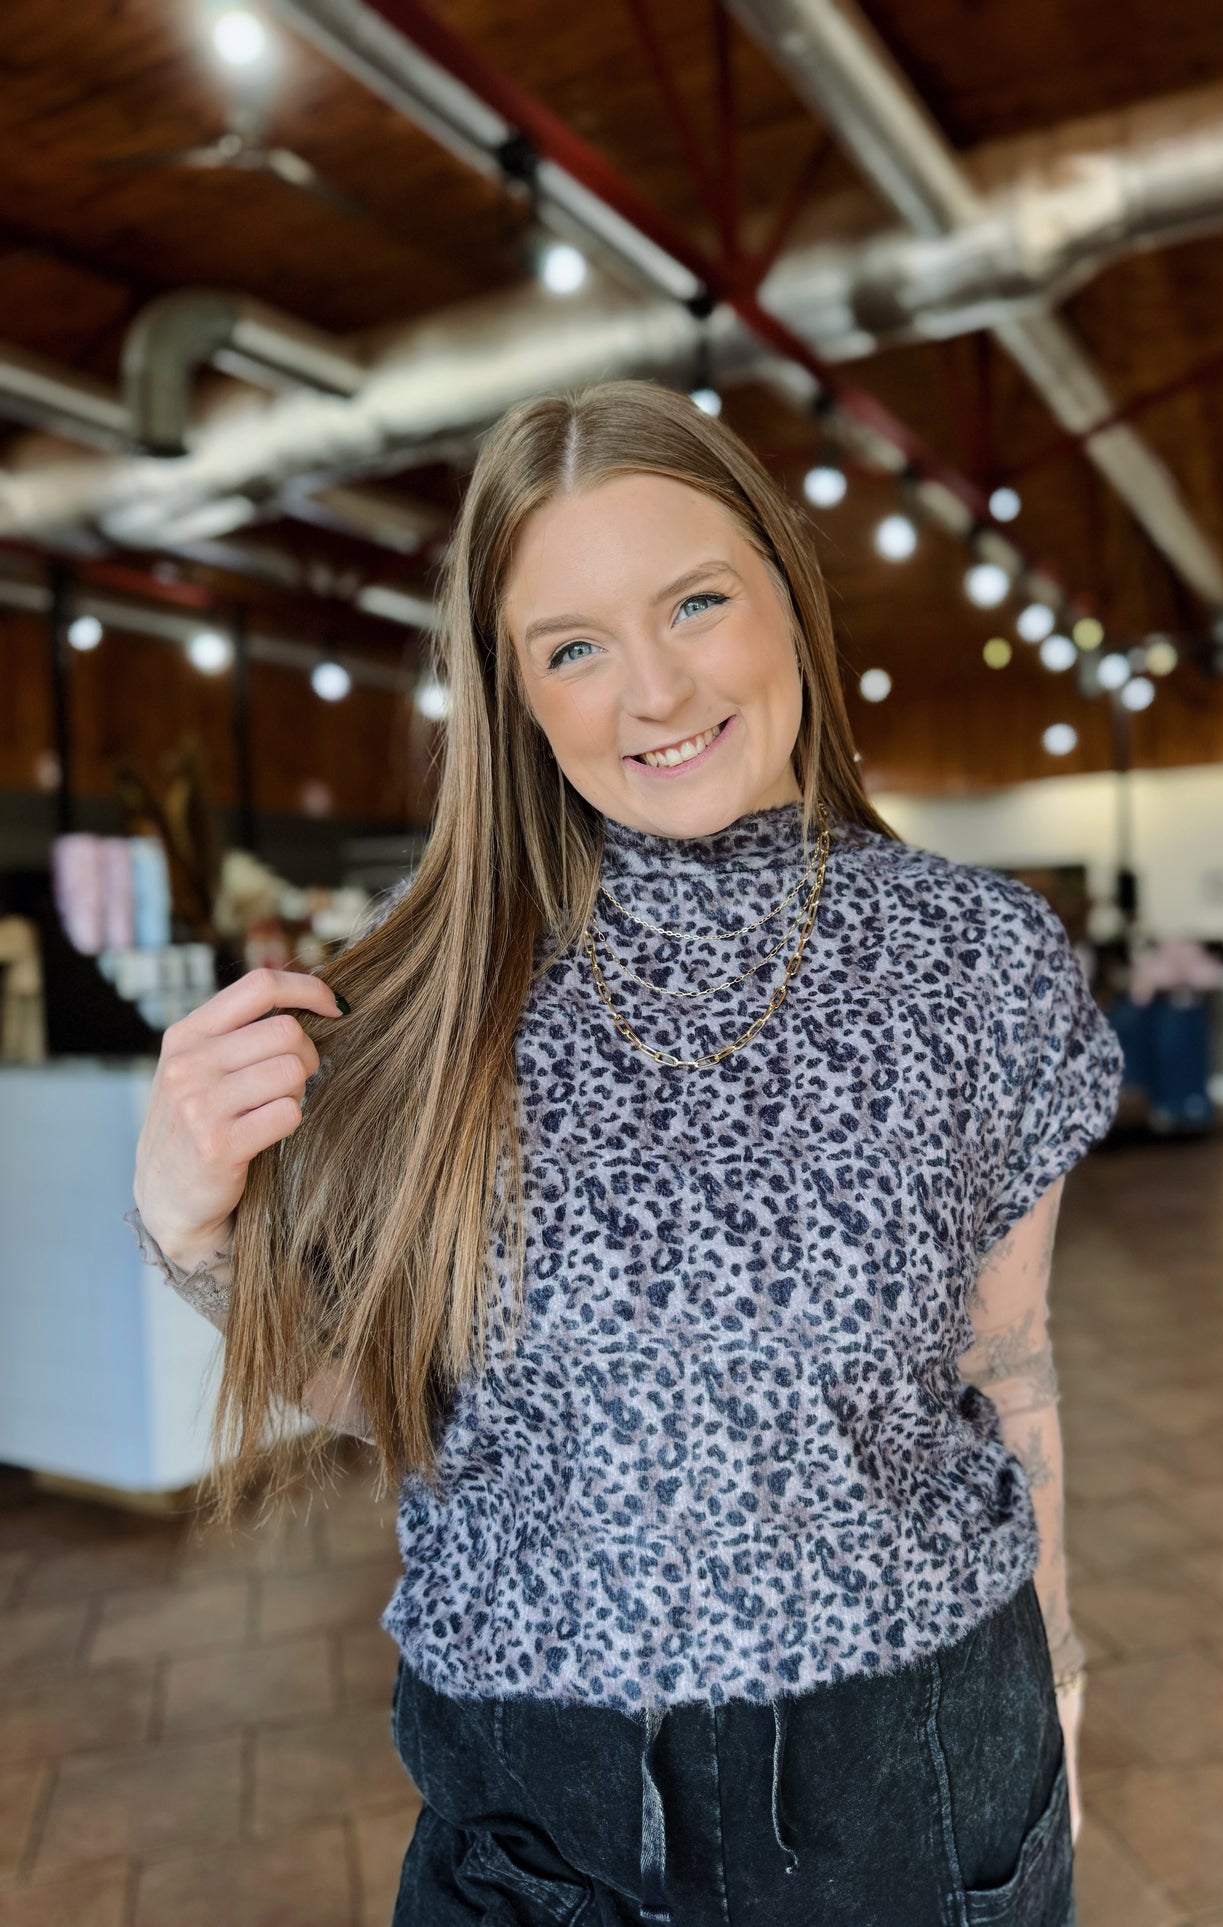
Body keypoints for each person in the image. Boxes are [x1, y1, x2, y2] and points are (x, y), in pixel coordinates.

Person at [127, 379, 1122, 1926]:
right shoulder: (421, 997)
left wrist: (1058, 1665)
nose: (651, 693)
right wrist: (190, 1233)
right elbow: (406, 1408)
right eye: (572, 646)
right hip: (536, 1810)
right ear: (512, 691)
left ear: (785, 594)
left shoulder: (980, 963)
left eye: (696, 603)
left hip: (907, 1772)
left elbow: (1010, 1364)